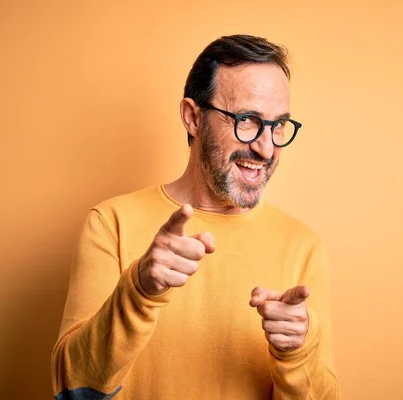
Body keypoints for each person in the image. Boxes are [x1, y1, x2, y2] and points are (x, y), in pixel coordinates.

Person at [51, 34, 340, 400]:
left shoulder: (303, 246)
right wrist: (138, 290)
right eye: (248, 120)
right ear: (192, 118)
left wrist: (298, 352)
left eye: (279, 124)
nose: (266, 148)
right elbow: (71, 391)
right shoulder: (111, 224)